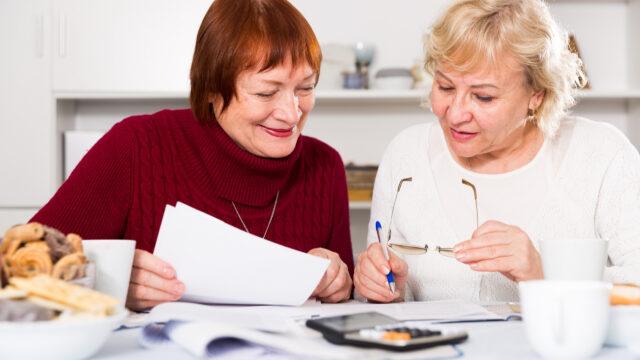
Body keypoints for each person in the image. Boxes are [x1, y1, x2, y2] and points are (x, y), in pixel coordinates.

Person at [31, 0, 353, 310]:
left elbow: (342, 303)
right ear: (212, 89)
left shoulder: (326, 166)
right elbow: (22, 266)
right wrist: (105, 283)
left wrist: (339, 282)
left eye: (305, 88)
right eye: (266, 92)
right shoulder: (135, 145)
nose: (291, 113)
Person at [354, 0, 640, 303]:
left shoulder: (602, 155)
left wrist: (543, 273)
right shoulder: (405, 155)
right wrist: (383, 289)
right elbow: (383, 304)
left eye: (483, 97)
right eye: (445, 87)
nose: (455, 114)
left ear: (536, 95)